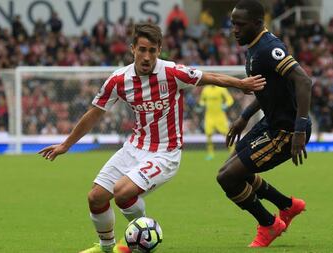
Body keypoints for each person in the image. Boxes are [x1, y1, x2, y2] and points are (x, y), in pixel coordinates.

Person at [38, 23, 265, 253]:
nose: (147, 57)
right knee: (96, 197)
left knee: (122, 192)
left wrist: (240, 84)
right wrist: (66, 144)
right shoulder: (119, 80)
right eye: (142, 50)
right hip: (134, 147)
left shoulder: (171, 73)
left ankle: (143, 236)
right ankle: (106, 248)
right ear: (132, 49)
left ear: (159, 50)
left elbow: (209, 77)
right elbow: (94, 113)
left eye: (152, 51)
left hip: (165, 153)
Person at [216, 0, 312, 248]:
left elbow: (303, 81)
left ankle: (269, 225)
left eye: (240, 24)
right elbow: (267, 89)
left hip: (287, 131)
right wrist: (244, 117)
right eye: (232, 24)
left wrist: (299, 130)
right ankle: (287, 206)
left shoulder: (269, 48)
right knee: (231, 170)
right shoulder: (253, 47)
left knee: (228, 179)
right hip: (270, 124)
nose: (234, 29)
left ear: (258, 23)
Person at [198, 85, 234, 160]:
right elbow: (201, 100)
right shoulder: (206, 89)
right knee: (208, 134)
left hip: (220, 116)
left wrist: (225, 105)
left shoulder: (221, 89)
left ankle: (232, 152)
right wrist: (202, 104)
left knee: (226, 134)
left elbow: (230, 100)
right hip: (209, 116)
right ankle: (210, 153)